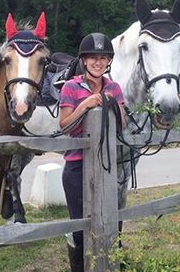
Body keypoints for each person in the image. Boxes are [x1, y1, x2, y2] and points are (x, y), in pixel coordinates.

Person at [59, 33, 126, 271]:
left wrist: (112, 104)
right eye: (93, 58)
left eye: (103, 58)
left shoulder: (114, 87)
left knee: (111, 218)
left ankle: (112, 264)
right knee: (79, 225)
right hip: (77, 163)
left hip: (106, 162)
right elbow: (64, 124)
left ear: (108, 61)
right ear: (84, 61)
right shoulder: (71, 87)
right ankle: (79, 267)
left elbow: (123, 124)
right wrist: (85, 105)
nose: (98, 62)